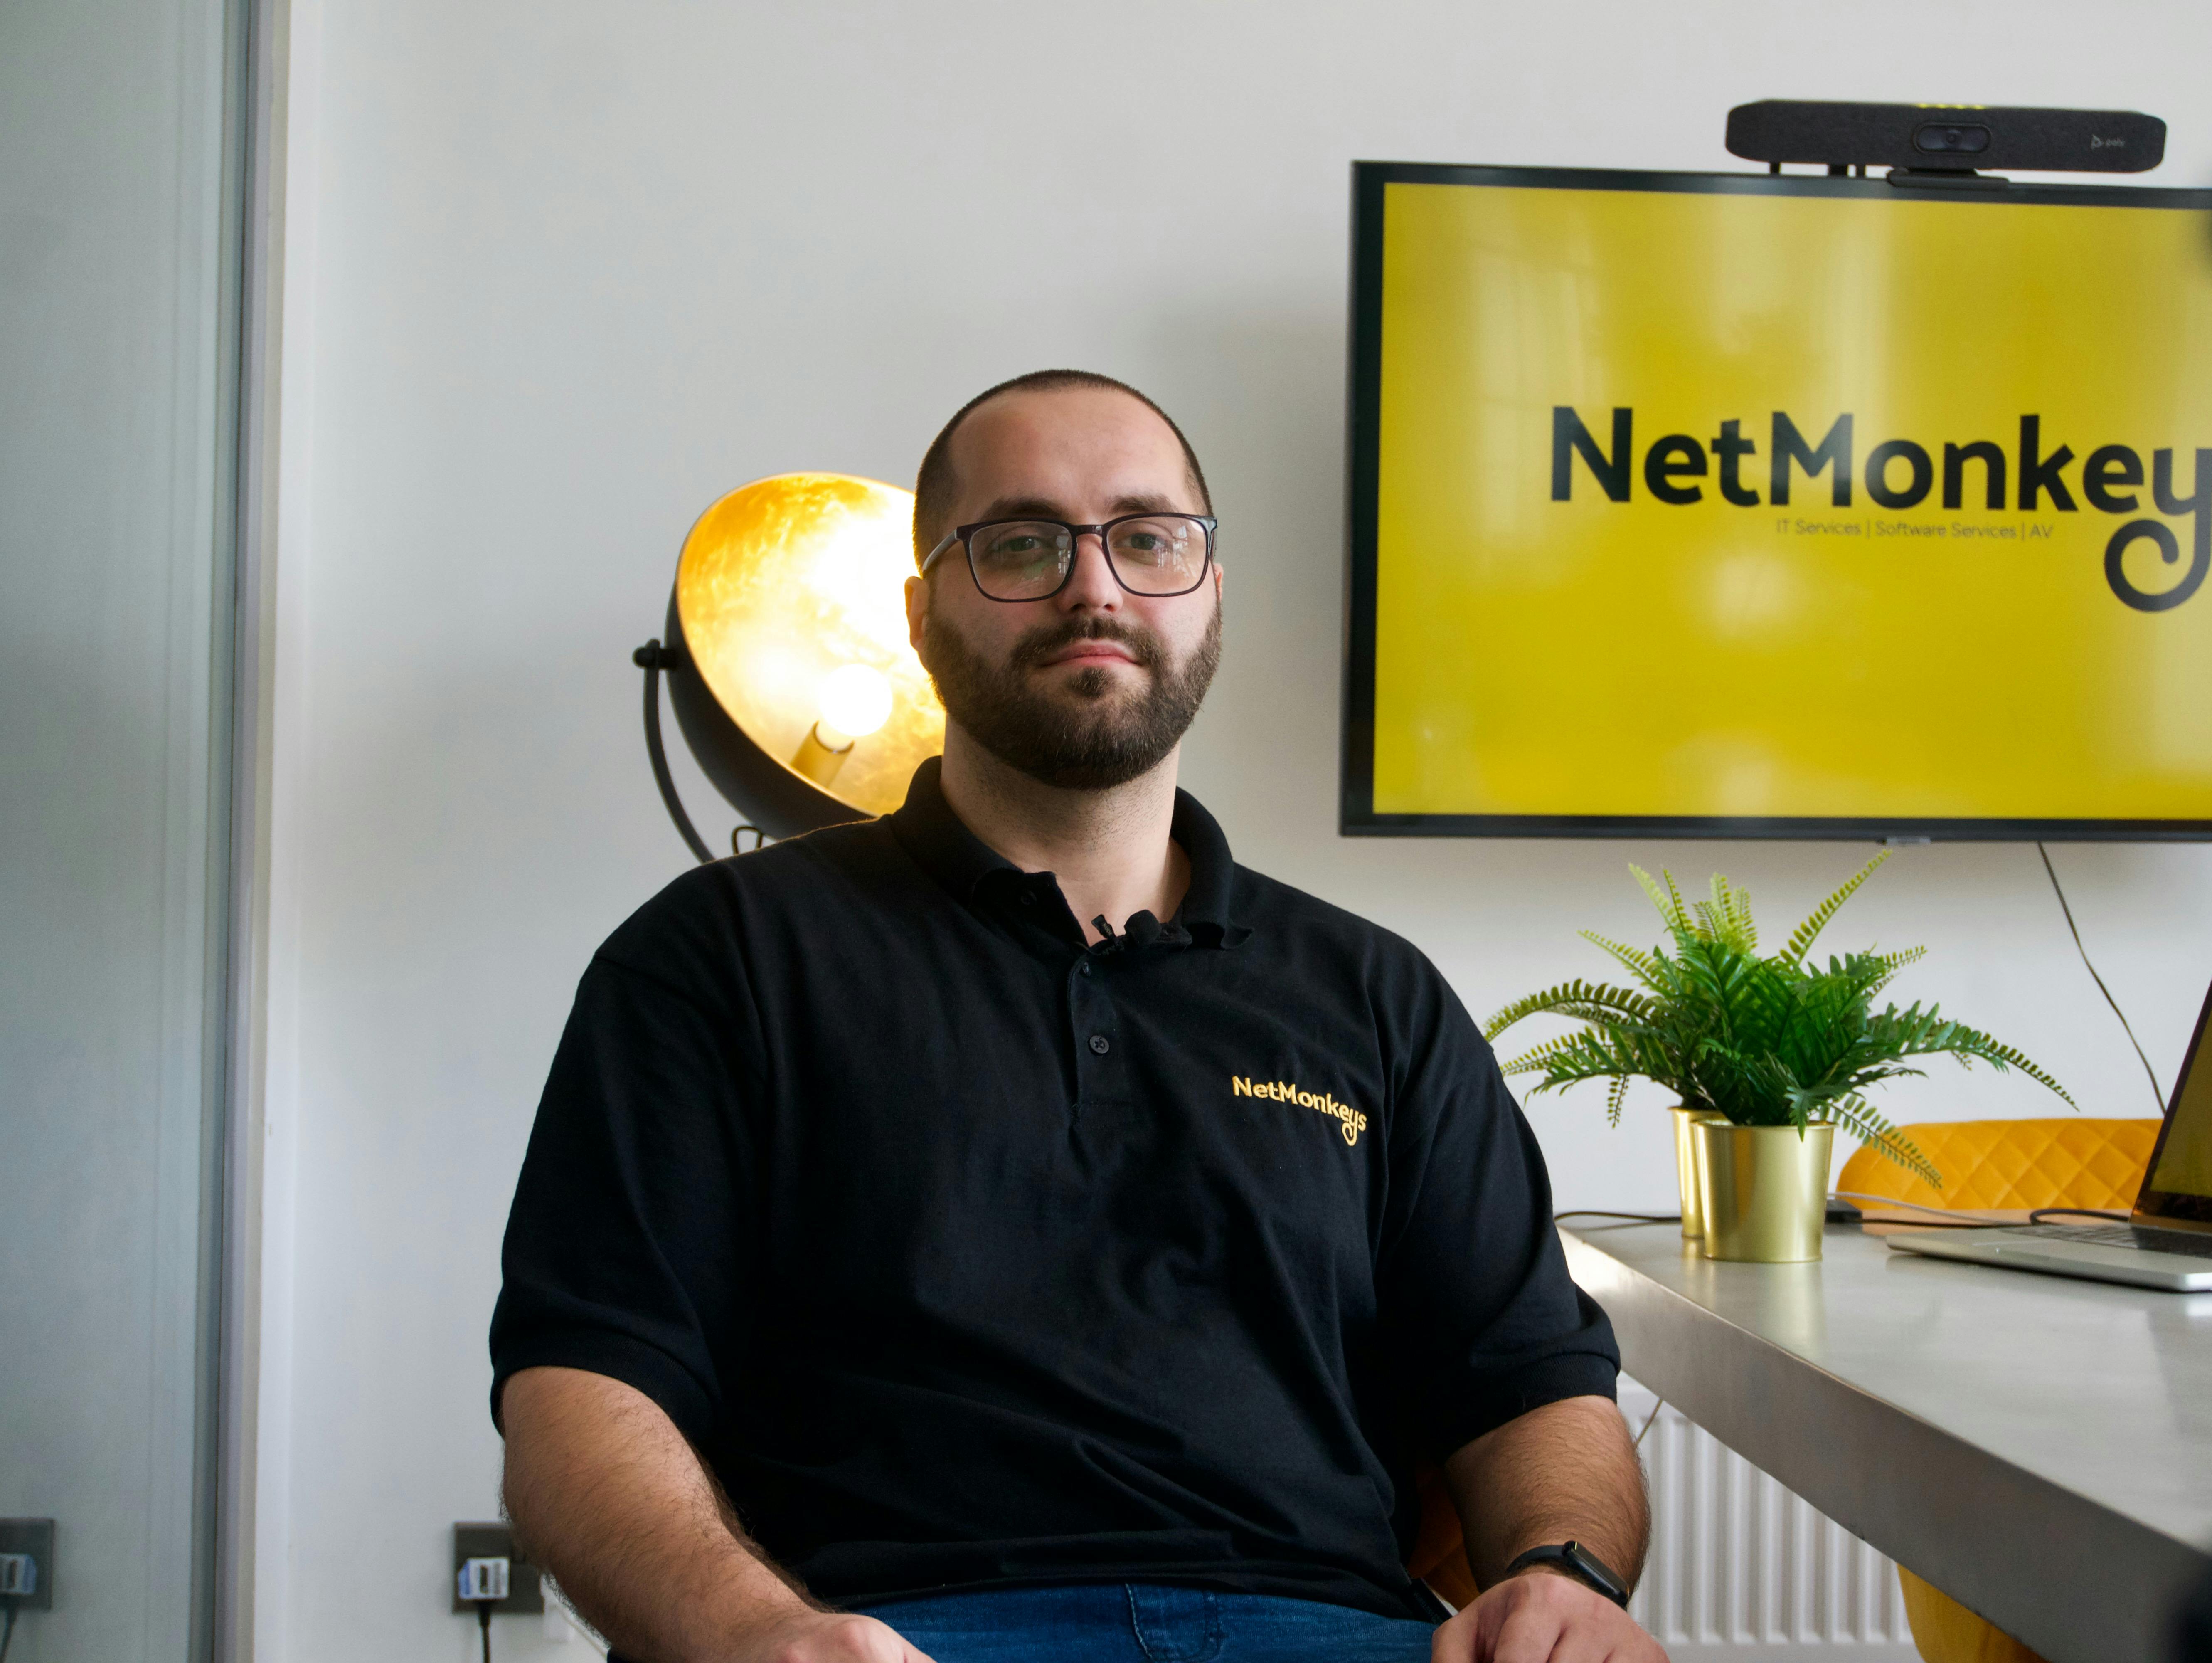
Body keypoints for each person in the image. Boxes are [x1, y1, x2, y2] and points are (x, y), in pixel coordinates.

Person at [490, 369, 1665, 1663]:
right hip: (885, 1637)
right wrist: (757, 1632)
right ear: (921, 614)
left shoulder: (1378, 997)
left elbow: (1533, 1389)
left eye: (1148, 539)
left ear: (1211, 593)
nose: (1093, 587)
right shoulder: (722, 956)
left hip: (1324, 1633)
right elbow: (581, 1388)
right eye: (1022, 544)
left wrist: (1562, 1578)